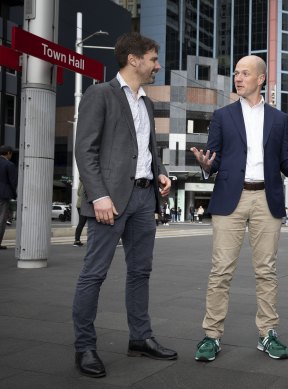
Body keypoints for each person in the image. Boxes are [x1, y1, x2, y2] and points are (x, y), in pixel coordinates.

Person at [190, 55, 288, 362]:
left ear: (261, 79)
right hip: (229, 199)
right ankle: (211, 336)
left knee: (267, 271)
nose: (238, 78)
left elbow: (286, 162)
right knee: (220, 270)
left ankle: (268, 334)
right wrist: (207, 166)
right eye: (236, 73)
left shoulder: (278, 119)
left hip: (266, 199)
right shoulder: (223, 116)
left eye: (245, 73)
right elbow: (215, 157)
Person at [72, 32, 177, 378]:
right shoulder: (99, 94)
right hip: (110, 202)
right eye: (153, 59)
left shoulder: (146, 101)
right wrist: (98, 195)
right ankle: (84, 347)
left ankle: (140, 338)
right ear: (133, 59)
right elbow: (84, 150)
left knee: (141, 272)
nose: (157, 66)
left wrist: (160, 173)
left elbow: (147, 149)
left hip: (145, 199)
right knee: (94, 274)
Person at [0, 145, 17, 249]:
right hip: (3, 195)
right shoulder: (9, 165)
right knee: (1, 219)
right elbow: (13, 182)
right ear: (8, 153)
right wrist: (15, 195)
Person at [73, 183, 88, 247]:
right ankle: (77, 241)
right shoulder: (87, 179)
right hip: (84, 205)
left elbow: (78, 193)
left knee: (81, 223)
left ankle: (77, 240)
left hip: (79, 205)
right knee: (85, 223)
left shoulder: (81, 180)